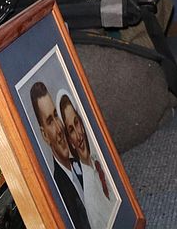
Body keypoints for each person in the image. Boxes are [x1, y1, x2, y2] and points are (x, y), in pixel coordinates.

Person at [29, 81, 91, 229]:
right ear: (44, 135)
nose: (59, 129)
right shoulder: (57, 190)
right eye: (50, 121)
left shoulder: (79, 164)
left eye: (56, 115)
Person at [58, 90, 116, 229]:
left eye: (76, 123)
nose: (78, 136)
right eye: (71, 130)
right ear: (70, 141)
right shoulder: (90, 198)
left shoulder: (99, 159)